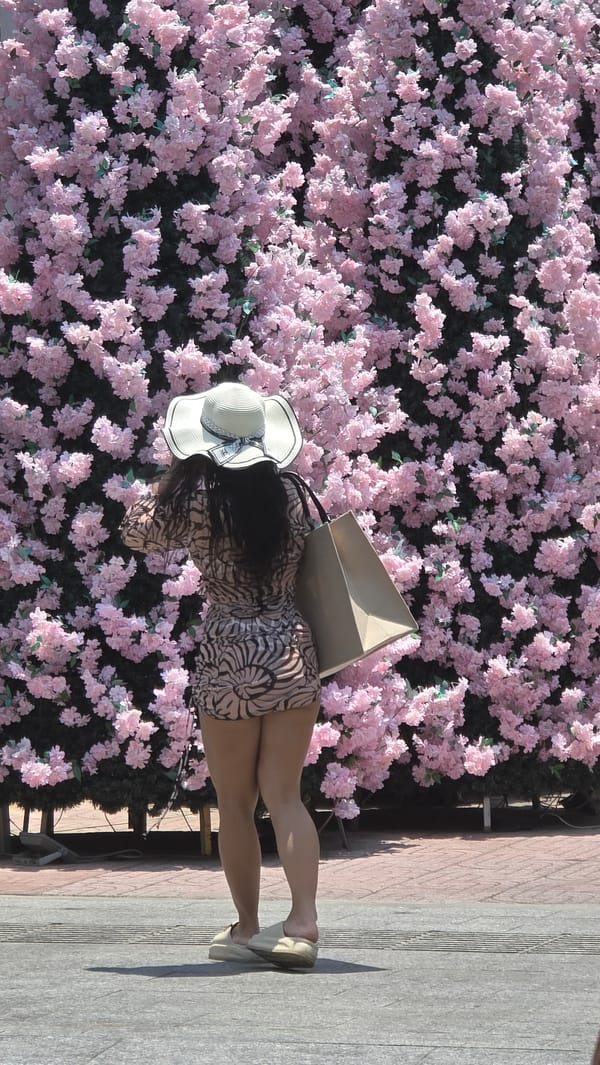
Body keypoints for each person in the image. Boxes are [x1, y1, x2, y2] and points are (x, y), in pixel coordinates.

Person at [120, 382, 321, 969]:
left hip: (229, 654)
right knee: (286, 795)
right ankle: (303, 923)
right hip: (290, 646)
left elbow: (135, 530)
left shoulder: (194, 501)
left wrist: (180, 471)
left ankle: (247, 928)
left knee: (234, 802)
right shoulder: (290, 491)